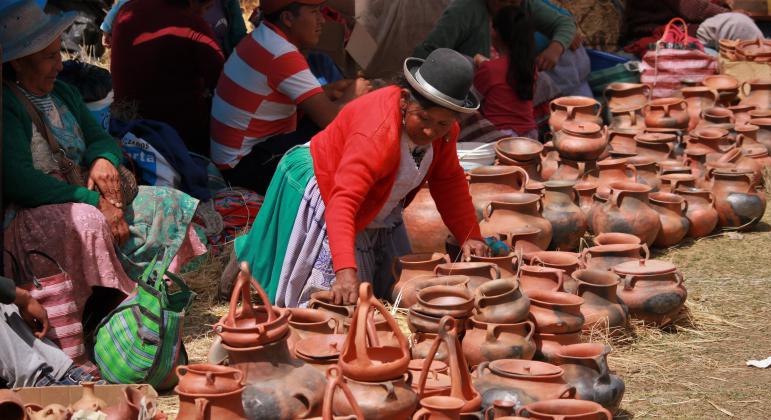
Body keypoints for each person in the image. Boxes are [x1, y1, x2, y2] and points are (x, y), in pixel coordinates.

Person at [1, 0, 206, 370]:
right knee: (88, 223)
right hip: (31, 215)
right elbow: (17, 180)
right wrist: (91, 200)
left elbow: (103, 138)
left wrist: (102, 160)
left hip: (86, 197)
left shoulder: (63, 94)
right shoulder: (6, 104)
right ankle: (92, 342)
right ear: (17, 61)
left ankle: (154, 316)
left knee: (169, 204)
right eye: (48, 57)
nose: (60, 64)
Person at [225, 48, 489, 307]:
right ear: (405, 100)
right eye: (424, 118)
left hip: (373, 198)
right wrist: (344, 270)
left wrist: (470, 236)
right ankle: (245, 261)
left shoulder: (445, 132)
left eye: (443, 124)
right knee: (337, 298)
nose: (431, 130)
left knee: (386, 286)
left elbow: (449, 182)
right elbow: (343, 202)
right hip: (323, 180)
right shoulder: (376, 131)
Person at [210, 0, 371, 194]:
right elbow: (331, 119)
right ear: (288, 18)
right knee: (340, 134)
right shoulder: (282, 53)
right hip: (241, 169)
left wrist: (326, 92)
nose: (322, 20)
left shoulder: (262, 38)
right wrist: (356, 92)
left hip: (234, 158)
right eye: (314, 12)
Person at [413, 0, 590, 106]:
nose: (510, 6)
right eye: (503, 1)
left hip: (513, 84)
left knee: (571, 54)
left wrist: (555, 49)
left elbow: (565, 24)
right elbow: (430, 49)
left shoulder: (525, 5)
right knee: (465, 64)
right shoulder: (465, 9)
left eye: (514, 2)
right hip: (480, 89)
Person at [111, 0, 225, 156]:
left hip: (125, 126)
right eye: (207, 7)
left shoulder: (128, 9)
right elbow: (222, 81)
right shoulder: (191, 22)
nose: (205, 13)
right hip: (174, 134)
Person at [0, 276, 99, 386]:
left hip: (61, 368)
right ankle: (44, 381)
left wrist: (18, 297)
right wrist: (24, 298)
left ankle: (64, 374)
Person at [474, 6, 538, 139]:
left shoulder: (489, 69)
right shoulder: (531, 67)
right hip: (530, 136)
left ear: (495, 34)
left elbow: (474, 100)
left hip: (500, 138)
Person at [101, 0, 247, 57]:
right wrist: (108, 26)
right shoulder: (174, 10)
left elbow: (239, 36)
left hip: (221, 70)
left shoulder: (228, 3)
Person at [623, 0, 763, 50]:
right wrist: (727, 11)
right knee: (737, 24)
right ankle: (762, 81)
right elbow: (693, 8)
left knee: (762, 27)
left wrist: (723, 5)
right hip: (665, 37)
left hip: (686, 27)